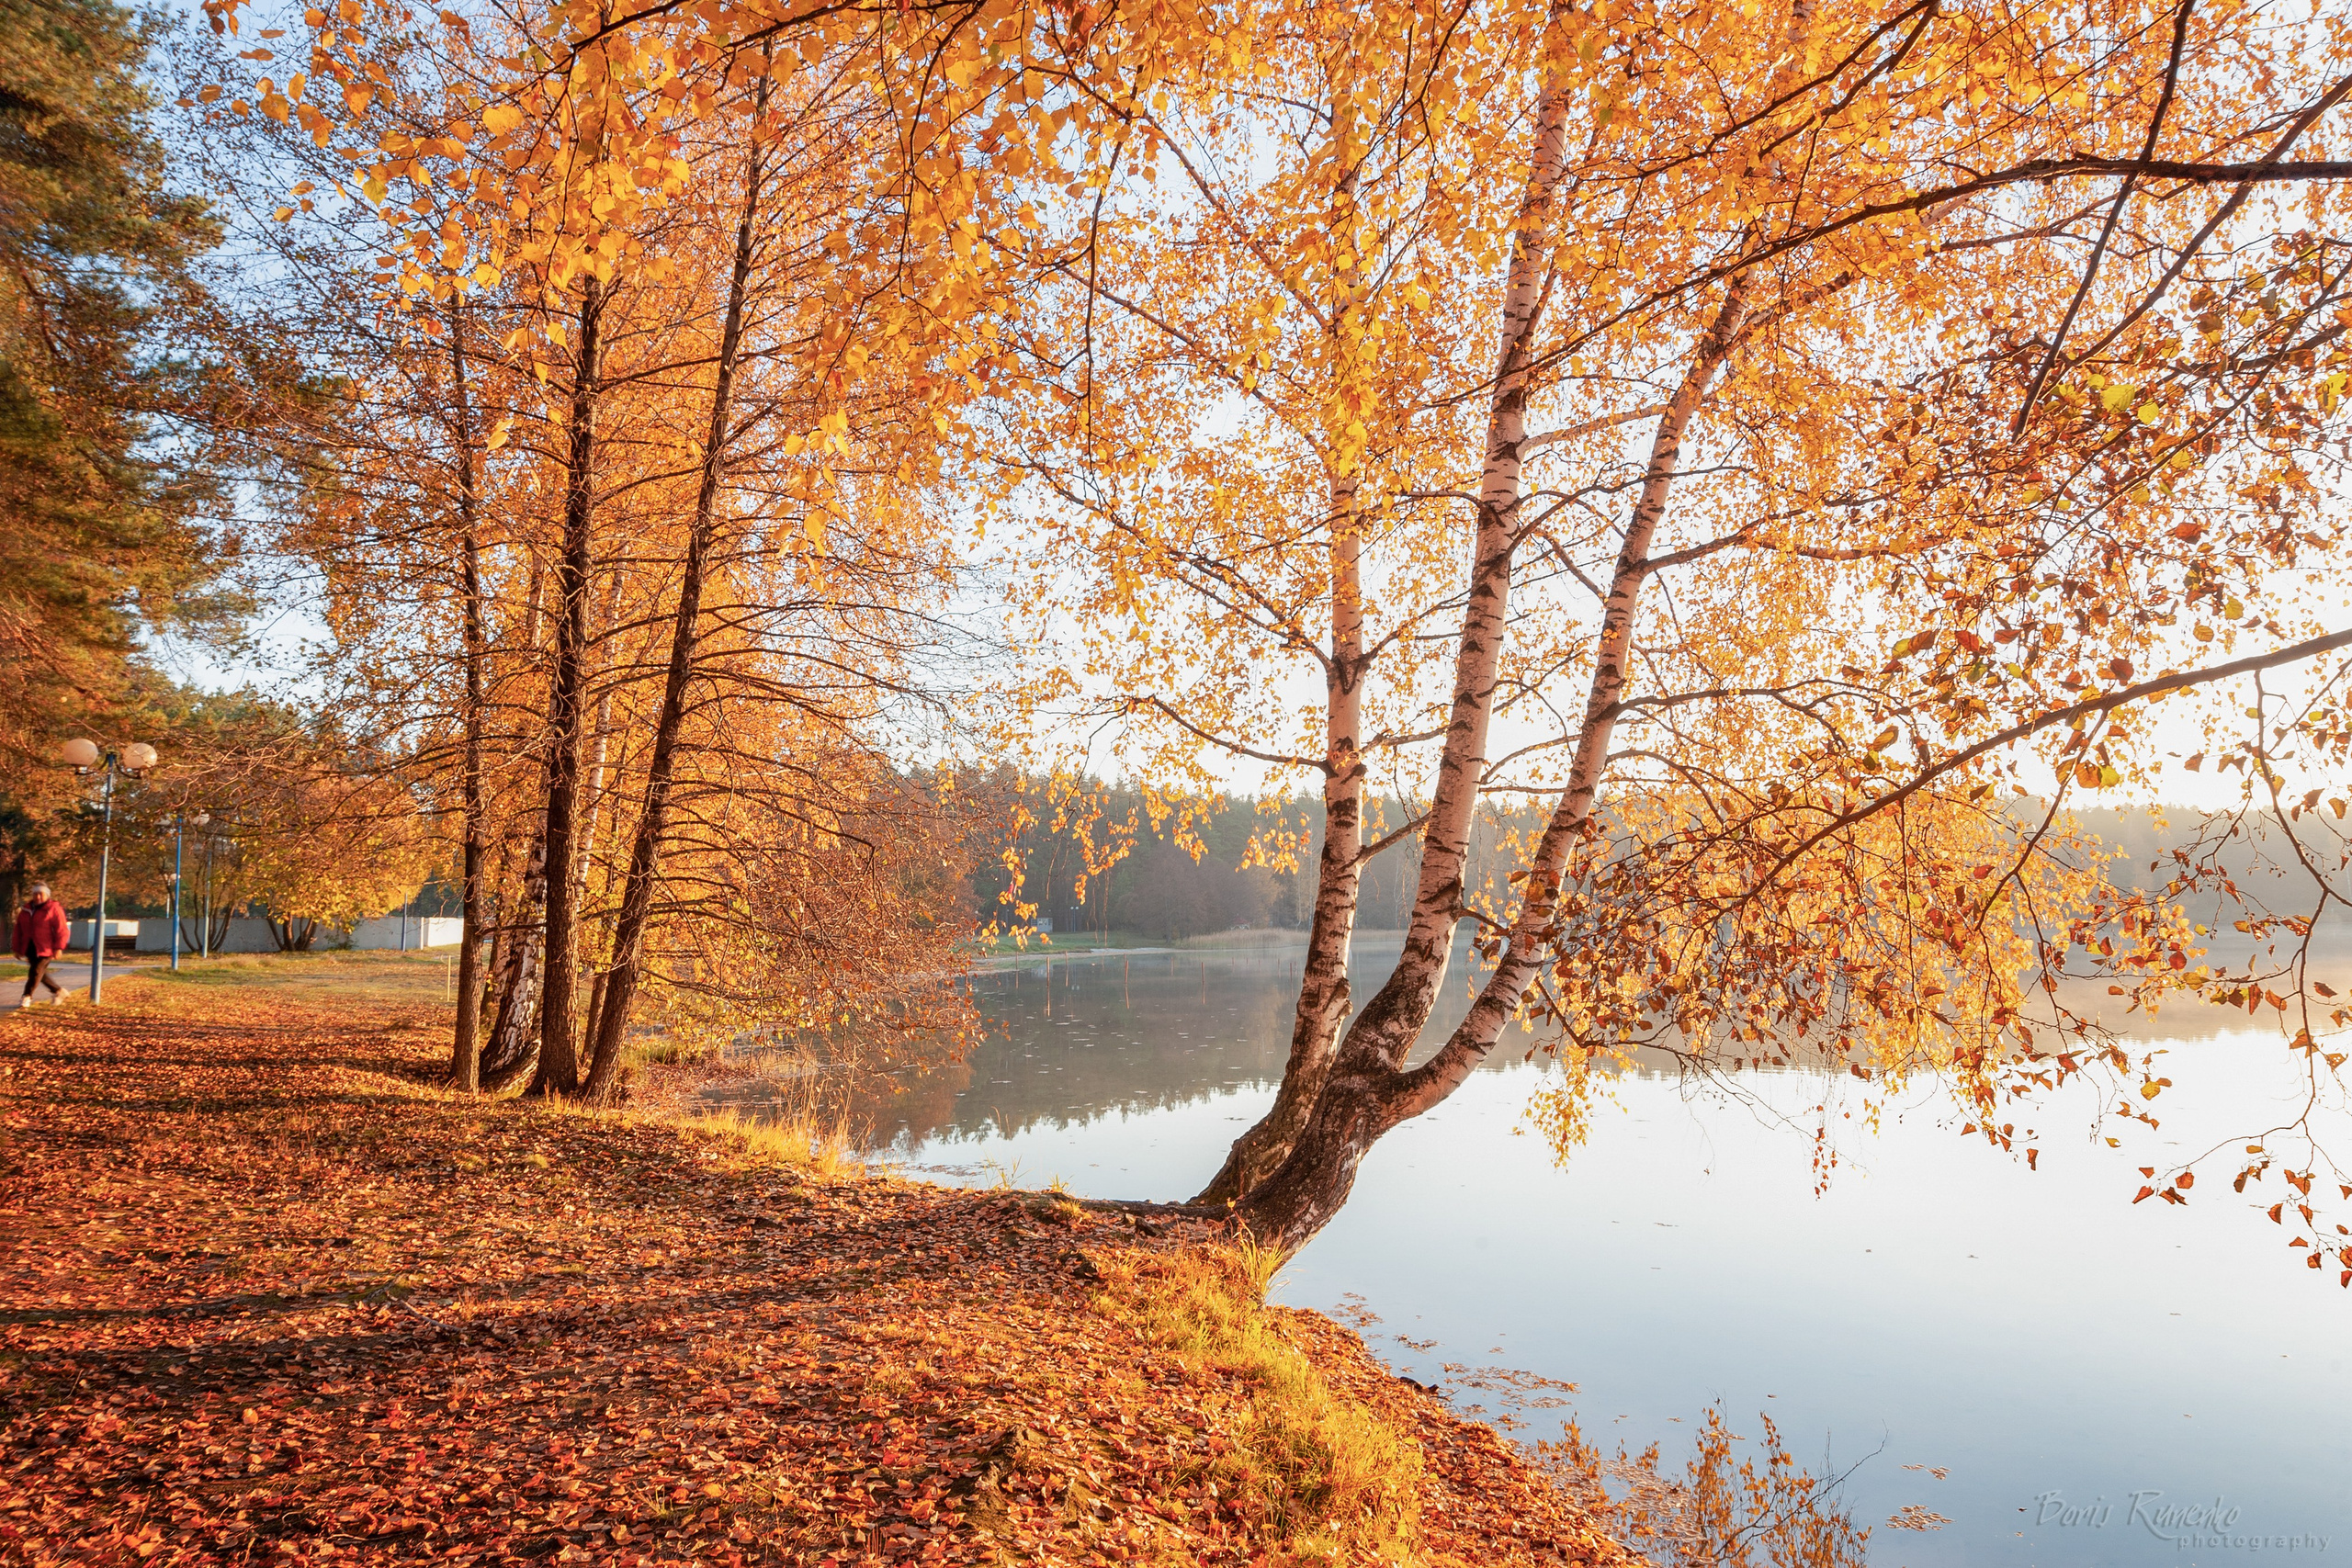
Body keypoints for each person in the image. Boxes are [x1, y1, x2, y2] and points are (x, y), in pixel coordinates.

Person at [14, 884, 69, 1007]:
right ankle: (58, 991)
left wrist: (59, 947)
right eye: (35, 894)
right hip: (30, 947)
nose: (38, 897)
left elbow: (62, 929)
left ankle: (27, 996)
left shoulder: (53, 908)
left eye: (41, 894)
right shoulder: (26, 910)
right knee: (39, 973)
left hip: (46, 948)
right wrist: (17, 948)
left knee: (36, 971)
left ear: (47, 896)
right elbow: (18, 929)